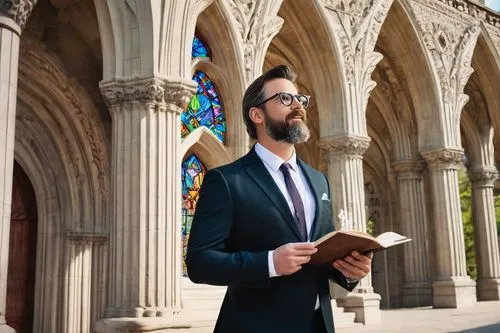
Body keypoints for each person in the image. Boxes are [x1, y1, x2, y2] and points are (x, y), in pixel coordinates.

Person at [186, 65, 372, 333]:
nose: (297, 106)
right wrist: (270, 262)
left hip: (318, 326)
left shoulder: (319, 180)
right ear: (257, 114)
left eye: (300, 99)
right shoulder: (227, 181)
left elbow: (322, 253)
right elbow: (200, 262)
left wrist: (349, 271)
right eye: (285, 99)